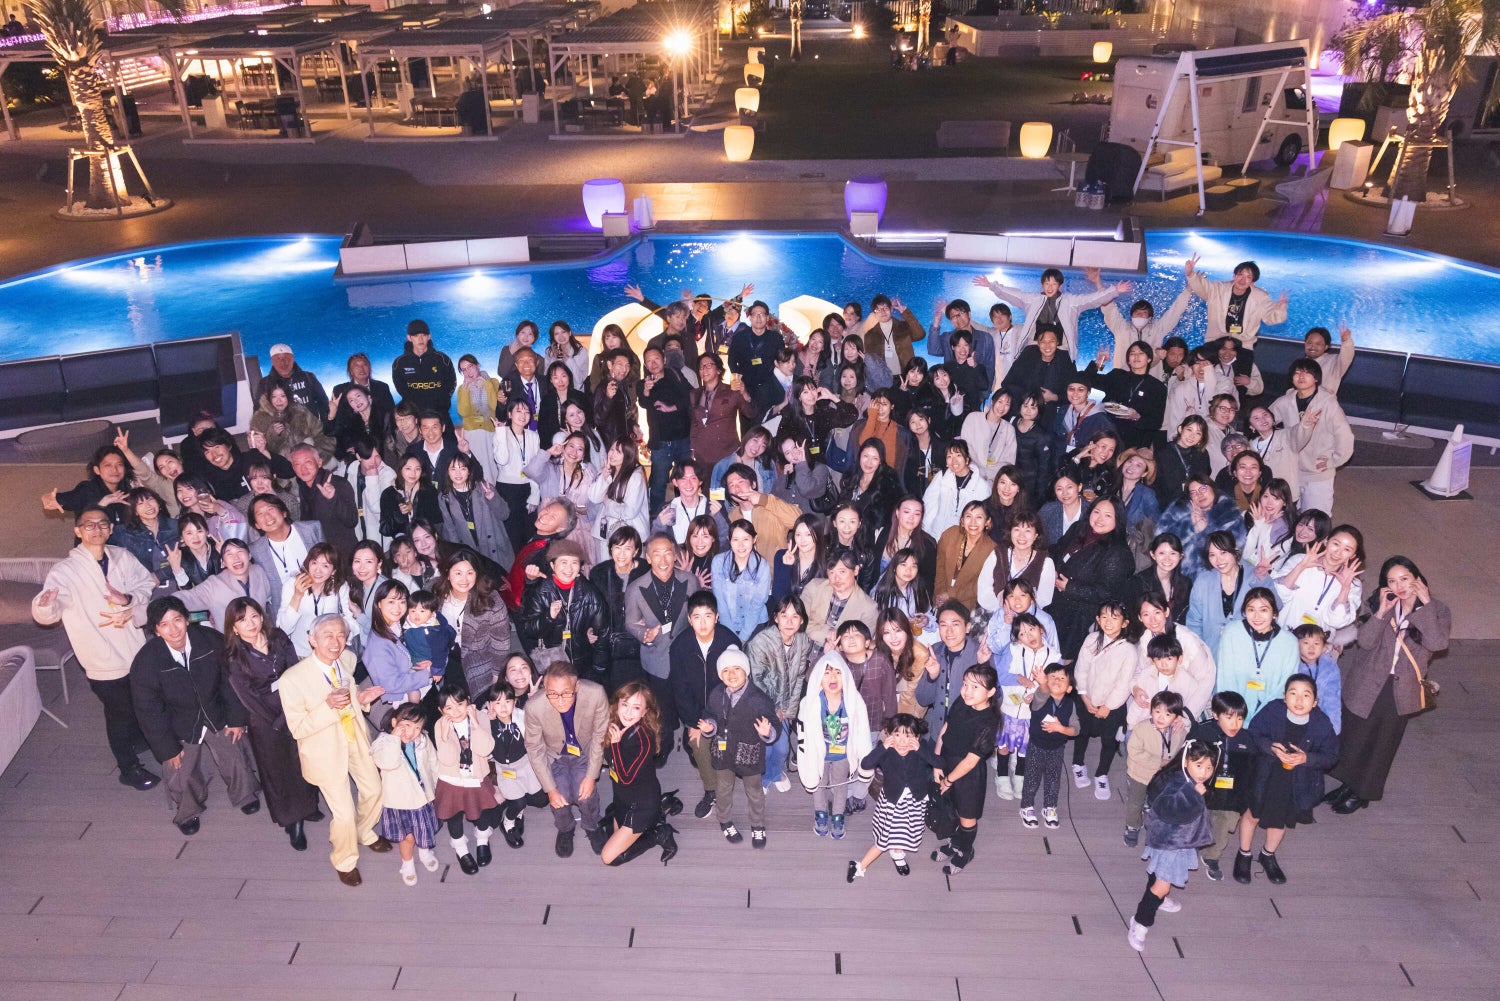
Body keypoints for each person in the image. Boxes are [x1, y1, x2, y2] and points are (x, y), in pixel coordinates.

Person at [32, 507, 160, 790]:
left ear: (111, 529)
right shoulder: (65, 571)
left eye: (102, 524)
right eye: (89, 525)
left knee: (139, 701)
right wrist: (45, 605)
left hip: (133, 647)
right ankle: (128, 768)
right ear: (77, 531)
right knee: (119, 711)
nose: (96, 529)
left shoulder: (122, 557)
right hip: (99, 653)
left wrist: (128, 598)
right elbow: (49, 611)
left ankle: (139, 740)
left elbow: (144, 585)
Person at [1323, 557, 1448, 815]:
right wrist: (1381, 612)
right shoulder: (1382, 602)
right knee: (1355, 734)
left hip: (1400, 687)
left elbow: (1437, 644)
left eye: (1404, 579)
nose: (1399, 586)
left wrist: (1425, 605)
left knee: (1382, 741)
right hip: (1367, 680)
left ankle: (1362, 793)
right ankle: (1348, 784)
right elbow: (1366, 642)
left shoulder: (1437, 610)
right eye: (1392, 581)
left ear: (1417, 579)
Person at [279, 614, 393, 886]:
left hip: (355, 737)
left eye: (341, 635)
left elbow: (350, 694)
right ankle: (345, 860)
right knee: (343, 813)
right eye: (327, 635)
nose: (336, 641)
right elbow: (298, 728)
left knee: (375, 790)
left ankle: (364, 832)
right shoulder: (291, 679)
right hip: (325, 750)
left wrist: (361, 699)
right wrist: (328, 706)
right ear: (312, 639)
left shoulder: (346, 661)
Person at [130, 596, 259, 836]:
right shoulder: (146, 662)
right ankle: (188, 811)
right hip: (179, 722)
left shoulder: (211, 641)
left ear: (187, 620)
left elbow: (231, 681)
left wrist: (236, 719)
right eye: (164, 624)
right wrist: (167, 749)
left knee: (235, 751)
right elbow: (149, 712)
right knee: (179, 770)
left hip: (216, 712)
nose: (173, 629)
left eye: (177, 620)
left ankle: (245, 794)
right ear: (156, 630)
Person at [222, 596, 324, 850]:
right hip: (266, 722)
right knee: (278, 770)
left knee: (304, 760)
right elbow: (250, 700)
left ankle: (309, 806)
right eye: (242, 620)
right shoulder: (234, 657)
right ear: (234, 627)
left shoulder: (277, 637)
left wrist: (295, 709)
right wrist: (280, 721)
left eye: (254, 616)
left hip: (295, 707)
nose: (251, 624)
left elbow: (296, 671)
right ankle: (292, 820)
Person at [1235, 675, 1338, 884]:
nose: (1299, 700)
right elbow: (1253, 732)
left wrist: (1306, 758)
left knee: (1280, 819)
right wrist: (1270, 747)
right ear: (1284, 697)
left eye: (1306, 695)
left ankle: (1267, 854)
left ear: (1315, 702)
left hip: (1296, 782)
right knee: (1253, 813)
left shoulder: (1321, 723)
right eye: (1293, 693)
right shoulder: (1273, 711)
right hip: (1265, 775)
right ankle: (1244, 853)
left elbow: (1331, 756)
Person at [1126, 741, 1216, 953]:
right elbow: (1169, 810)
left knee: (1159, 875)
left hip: (1176, 841)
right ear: (1186, 762)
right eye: (1199, 765)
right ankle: (1140, 922)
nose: (1204, 772)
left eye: (1209, 767)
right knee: (1162, 885)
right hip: (1172, 844)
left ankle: (1160, 899)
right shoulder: (1180, 784)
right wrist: (1194, 795)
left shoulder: (1186, 779)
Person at [523, 661, 610, 858]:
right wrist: (550, 789)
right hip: (555, 756)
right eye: (552, 693)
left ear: (577, 686)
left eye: (566, 693)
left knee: (585, 795)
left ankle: (592, 824)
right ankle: (565, 828)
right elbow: (535, 749)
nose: (560, 700)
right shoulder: (534, 707)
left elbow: (599, 737)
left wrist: (591, 776)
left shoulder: (596, 694)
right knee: (559, 797)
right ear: (545, 687)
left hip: (584, 751)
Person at [670, 591, 742, 817]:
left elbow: (736, 686)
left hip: (725, 710)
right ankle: (711, 791)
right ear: (689, 619)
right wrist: (694, 723)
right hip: (697, 712)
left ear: (717, 617)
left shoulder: (729, 642)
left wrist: (722, 719)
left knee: (727, 745)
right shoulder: (680, 646)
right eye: (697, 617)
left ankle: (729, 774)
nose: (703, 623)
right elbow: (680, 691)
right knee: (697, 742)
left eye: (708, 616)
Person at [847, 713, 942, 881]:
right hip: (892, 802)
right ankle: (859, 866)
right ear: (889, 735)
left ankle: (897, 853)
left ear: (917, 737)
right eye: (897, 735)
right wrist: (883, 747)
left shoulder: (921, 749)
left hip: (914, 802)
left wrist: (920, 750)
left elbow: (940, 763)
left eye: (908, 736)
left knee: (906, 831)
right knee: (884, 839)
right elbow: (866, 764)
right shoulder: (885, 751)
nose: (902, 741)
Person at [704, 646, 781, 848]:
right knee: (723, 788)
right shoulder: (716, 694)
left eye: (737, 668)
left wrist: (768, 732)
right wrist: (709, 726)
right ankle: (724, 820)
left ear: (746, 671)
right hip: (723, 752)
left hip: (749, 753)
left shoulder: (759, 699)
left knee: (754, 790)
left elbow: (774, 723)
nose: (731, 674)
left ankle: (757, 824)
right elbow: (709, 714)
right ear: (720, 675)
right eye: (725, 670)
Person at [931, 662, 1000, 875]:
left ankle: (965, 850)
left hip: (967, 775)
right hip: (947, 763)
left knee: (966, 815)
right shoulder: (962, 701)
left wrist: (948, 780)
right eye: (965, 684)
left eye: (975, 687)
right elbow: (946, 728)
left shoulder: (989, 721)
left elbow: (971, 761)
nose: (967, 691)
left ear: (991, 692)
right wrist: (937, 761)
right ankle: (955, 843)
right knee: (951, 808)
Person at [599, 682, 679, 866]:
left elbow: (625, 778)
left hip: (641, 804)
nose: (628, 712)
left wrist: (615, 746)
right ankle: (663, 806)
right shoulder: (615, 724)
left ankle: (659, 834)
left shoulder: (644, 740)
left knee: (609, 857)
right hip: (621, 798)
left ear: (644, 712)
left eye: (636, 707)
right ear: (617, 704)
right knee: (613, 837)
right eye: (624, 704)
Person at [973, 267, 1129, 360]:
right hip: (1035, 346)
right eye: (1047, 283)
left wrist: (1114, 290)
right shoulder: (1032, 300)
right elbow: (1012, 294)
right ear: (1042, 285)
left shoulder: (1070, 302)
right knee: (1024, 370)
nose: (1050, 287)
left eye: (1054, 283)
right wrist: (991, 286)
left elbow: (1093, 299)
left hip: (1062, 349)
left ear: (1060, 286)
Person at [1048, 500, 1135, 661]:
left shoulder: (1118, 552)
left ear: (1118, 520)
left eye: (1108, 515)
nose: (1100, 519)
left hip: (1081, 615)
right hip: (1056, 602)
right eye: (1096, 512)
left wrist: (1070, 587)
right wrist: (1051, 567)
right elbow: (1056, 549)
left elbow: (1106, 593)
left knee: (1063, 661)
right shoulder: (1078, 529)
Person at [798, 654, 872, 841]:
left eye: (838, 672)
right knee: (819, 785)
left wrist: (865, 765)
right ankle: (821, 813)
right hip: (819, 755)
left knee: (840, 786)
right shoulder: (809, 703)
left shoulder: (854, 701)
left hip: (843, 755)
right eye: (827, 673)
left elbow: (863, 733)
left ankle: (838, 816)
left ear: (845, 676)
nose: (833, 677)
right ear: (818, 678)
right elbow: (803, 738)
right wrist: (806, 766)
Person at [746, 595, 816, 793]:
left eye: (795, 616)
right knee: (766, 747)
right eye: (784, 615)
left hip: (784, 708)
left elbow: (799, 677)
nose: (789, 621)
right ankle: (763, 777)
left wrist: (788, 710)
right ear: (776, 617)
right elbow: (756, 681)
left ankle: (775, 774)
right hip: (762, 705)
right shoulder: (760, 642)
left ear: (802, 621)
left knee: (782, 748)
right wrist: (773, 709)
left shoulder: (803, 641)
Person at [1268, 358, 1354, 515]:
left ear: (1316, 378)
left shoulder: (1328, 403)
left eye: (1307, 373)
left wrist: (1334, 460)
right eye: (1297, 373)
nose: (1301, 376)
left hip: (1317, 472)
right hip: (1291, 469)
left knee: (1315, 517)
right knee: (1287, 515)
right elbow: (1266, 419)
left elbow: (1345, 435)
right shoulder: (1285, 401)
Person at [370, 703, 442, 885]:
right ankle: (407, 863)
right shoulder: (383, 743)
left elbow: (433, 763)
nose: (411, 732)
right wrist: (395, 738)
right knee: (407, 838)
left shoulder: (423, 740)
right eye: (406, 725)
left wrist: (438, 786)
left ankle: (425, 852)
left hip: (423, 799)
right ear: (394, 722)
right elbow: (388, 763)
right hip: (400, 803)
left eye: (417, 727)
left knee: (424, 831)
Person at [1071, 601, 1136, 801]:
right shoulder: (1092, 639)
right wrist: (1084, 695)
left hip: (1112, 706)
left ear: (1124, 623)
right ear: (1098, 620)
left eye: (1114, 618)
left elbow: (1124, 684)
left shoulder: (1129, 650)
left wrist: (1108, 706)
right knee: (1082, 732)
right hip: (1087, 698)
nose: (1108, 622)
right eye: (1104, 617)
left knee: (1109, 740)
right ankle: (1078, 763)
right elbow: (1081, 669)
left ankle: (1101, 773)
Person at [1188, 691, 1255, 882]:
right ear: (1216, 715)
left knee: (1223, 824)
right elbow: (1188, 761)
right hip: (1204, 789)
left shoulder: (1246, 739)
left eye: (1240, 718)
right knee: (1197, 819)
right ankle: (1189, 848)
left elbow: (1250, 770)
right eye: (1229, 718)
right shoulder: (1202, 733)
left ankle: (1211, 855)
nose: (1235, 724)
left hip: (1231, 795)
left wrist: (1245, 798)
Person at [519, 539, 607, 680]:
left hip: (582, 662)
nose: (569, 568)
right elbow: (529, 629)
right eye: (563, 562)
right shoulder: (541, 592)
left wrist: (599, 668)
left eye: (574, 563)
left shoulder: (590, 593)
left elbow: (602, 632)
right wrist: (549, 617)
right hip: (553, 663)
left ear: (580, 566)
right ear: (552, 565)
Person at [1184, 256, 1288, 371]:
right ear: (1234, 275)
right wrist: (1191, 274)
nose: (1243, 280)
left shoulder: (1260, 297)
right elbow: (1203, 288)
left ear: (1253, 281)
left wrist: (1280, 308)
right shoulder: (1219, 289)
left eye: (1248, 277)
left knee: (1242, 378)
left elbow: (1271, 317)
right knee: (1204, 368)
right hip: (1216, 338)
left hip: (1243, 342)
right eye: (1240, 275)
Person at [436, 550, 513, 697]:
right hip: (448, 657)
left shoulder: (491, 601)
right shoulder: (437, 594)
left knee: (480, 702)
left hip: (480, 661)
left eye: (470, 573)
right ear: (447, 573)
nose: (464, 579)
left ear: (477, 574)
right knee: (453, 702)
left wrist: (497, 676)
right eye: (458, 573)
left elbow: (501, 645)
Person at [482, 680, 547, 848]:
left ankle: (519, 811)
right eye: (497, 703)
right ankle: (508, 822)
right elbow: (483, 745)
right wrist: (490, 721)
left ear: (514, 702)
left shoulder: (521, 716)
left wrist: (534, 699)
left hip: (525, 764)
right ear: (490, 705)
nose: (503, 707)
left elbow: (539, 720)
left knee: (540, 798)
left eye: (507, 701)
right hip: (505, 769)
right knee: (518, 802)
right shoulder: (487, 722)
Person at [1215, 588, 1299, 719]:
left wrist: (1264, 716)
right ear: (1244, 612)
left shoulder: (1290, 642)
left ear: (1274, 613)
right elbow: (1225, 677)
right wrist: (1234, 712)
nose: (1257, 617)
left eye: (1263, 610)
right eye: (1251, 610)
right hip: (1233, 711)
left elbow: (1285, 685)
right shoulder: (1232, 632)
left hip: (1271, 713)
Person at [1122, 688, 1190, 849]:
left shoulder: (1178, 730)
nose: (1161, 717)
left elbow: (1180, 749)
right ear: (1151, 710)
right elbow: (1134, 751)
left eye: (1168, 714)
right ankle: (1132, 826)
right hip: (1139, 774)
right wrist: (1158, 762)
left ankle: (1154, 821)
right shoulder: (1142, 728)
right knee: (1135, 803)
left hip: (1162, 776)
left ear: (1176, 717)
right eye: (1157, 711)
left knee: (1158, 802)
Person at [1016, 662, 1080, 830]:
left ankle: (1050, 807)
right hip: (1036, 746)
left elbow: (1076, 729)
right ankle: (1026, 806)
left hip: (1057, 748)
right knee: (1032, 778)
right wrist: (1043, 683)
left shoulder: (1070, 705)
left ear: (1069, 688)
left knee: (1053, 779)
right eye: (1052, 677)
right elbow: (1042, 693)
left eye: (1062, 678)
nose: (1057, 680)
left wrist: (1061, 729)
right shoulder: (1040, 698)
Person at [276, 543, 358, 659]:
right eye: (314, 563)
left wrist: (340, 640)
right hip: (300, 653)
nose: (317, 570)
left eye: (325, 566)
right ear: (308, 564)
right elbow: (283, 629)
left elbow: (350, 620)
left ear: (333, 571)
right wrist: (297, 596)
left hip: (331, 652)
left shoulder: (340, 587)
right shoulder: (291, 585)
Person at [435, 454, 514, 574]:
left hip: (495, 548)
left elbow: (505, 515)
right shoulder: (444, 497)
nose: (458, 473)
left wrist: (492, 498)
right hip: (472, 552)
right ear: (448, 472)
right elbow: (451, 529)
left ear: (469, 471)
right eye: (453, 469)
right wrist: (458, 554)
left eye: (463, 468)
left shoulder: (483, 488)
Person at [639, 346, 695, 516]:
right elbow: (644, 403)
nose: (653, 363)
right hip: (660, 443)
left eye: (656, 358)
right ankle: (656, 518)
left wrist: (672, 407)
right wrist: (647, 390)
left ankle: (685, 514)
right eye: (649, 361)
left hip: (683, 439)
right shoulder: (643, 383)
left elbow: (690, 396)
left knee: (683, 479)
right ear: (645, 365)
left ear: (664, 360)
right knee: (658, 483)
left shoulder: (676, 375)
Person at [1157, 477, 1246, 578]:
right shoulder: (1177, 515)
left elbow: (1233, 551)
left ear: (1213, 488)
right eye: (1193, 492)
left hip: (1219, 574)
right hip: (1182, 577)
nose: (1199, 494)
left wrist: (1204, 531)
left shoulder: (1229, 514)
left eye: (1203, 488)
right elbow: (1164, 544)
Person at [1184, 531, 1256, 648]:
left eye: (1223, 552)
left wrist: (1264, 579)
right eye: (1212, 555)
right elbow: (1194, 622)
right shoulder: (1203, 581)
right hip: (1211, 651)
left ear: (1235, 550)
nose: (1219, 560)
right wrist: (1200, 651)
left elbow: (1274, 607)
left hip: (1246, 650)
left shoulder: (1254, 575)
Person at [288, 444, 360, 560]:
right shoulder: (304, 487)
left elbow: (352, 520)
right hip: (321, 558)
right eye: (297, 464)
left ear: (319, 462)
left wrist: (333, 498)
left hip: (343, 557)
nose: (303, 469)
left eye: (307, 462)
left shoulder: (337, 483)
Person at [802, 549, 879, 650]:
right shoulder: (814, 587)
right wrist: (828, 633)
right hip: (802, 653)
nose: (837, 578)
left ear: (856, 570)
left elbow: (860, 647)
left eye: (842, 572)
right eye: (832, 572)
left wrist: (814, 628)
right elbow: (799, 623)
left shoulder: (869, 608)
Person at [40, 444, 135, 523]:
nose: (114, 470)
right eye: (108, 465)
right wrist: (48, 498)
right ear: (97, 470)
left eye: (119, 464)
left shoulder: (129, 489)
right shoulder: (87, 489)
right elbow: (62, 499)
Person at [251, 378, 334, 463]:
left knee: (309, 443)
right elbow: (258, 452)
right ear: (269, 398)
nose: (279, 400)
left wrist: (317, 458)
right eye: (274, 397)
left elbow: (322, 435)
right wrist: (274, 435)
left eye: (283, 396)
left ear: (288, 396)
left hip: (305, 462)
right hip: (279, 466)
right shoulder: (259, 418)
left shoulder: (300, 411)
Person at [392, 319, 457, 421]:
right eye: (416, 335)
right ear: (409, 338)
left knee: (449, 432)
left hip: (440, 412)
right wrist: (412, 406)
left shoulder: (443, 359)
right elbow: (400, 387)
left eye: (424, 335)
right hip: (414, 415)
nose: (420, 339)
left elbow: (452, 382)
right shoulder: (399, 363)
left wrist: (442, 402)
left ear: (429, 337)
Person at [1155, 417, 1212, 510]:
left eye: (1198, 433)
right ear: (1180, 429)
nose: (1192, 436)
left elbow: (1205, 481)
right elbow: (1157, 487)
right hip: (1169, 507)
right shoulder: (1164, 453)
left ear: (1201, 438)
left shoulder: (1202, 454)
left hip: (1197, 505)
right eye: (1189, 430)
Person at [265, 343, 330, 418]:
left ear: (292, 358)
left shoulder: (308, 377)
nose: (283, 362)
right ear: (272, 361)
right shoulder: (265, 383)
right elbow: (260, 412)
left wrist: (326, 421)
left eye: (287, 358)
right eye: (278, 359)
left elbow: (323, 403)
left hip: (311, 424)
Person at [1303, 325, 1356, 395]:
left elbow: (1347, 355)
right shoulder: (1299, 364)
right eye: (1310, 343)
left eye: (1318, 344)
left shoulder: (1334, 362)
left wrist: (1346, 341)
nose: (1313, 347)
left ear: (1326, 347)